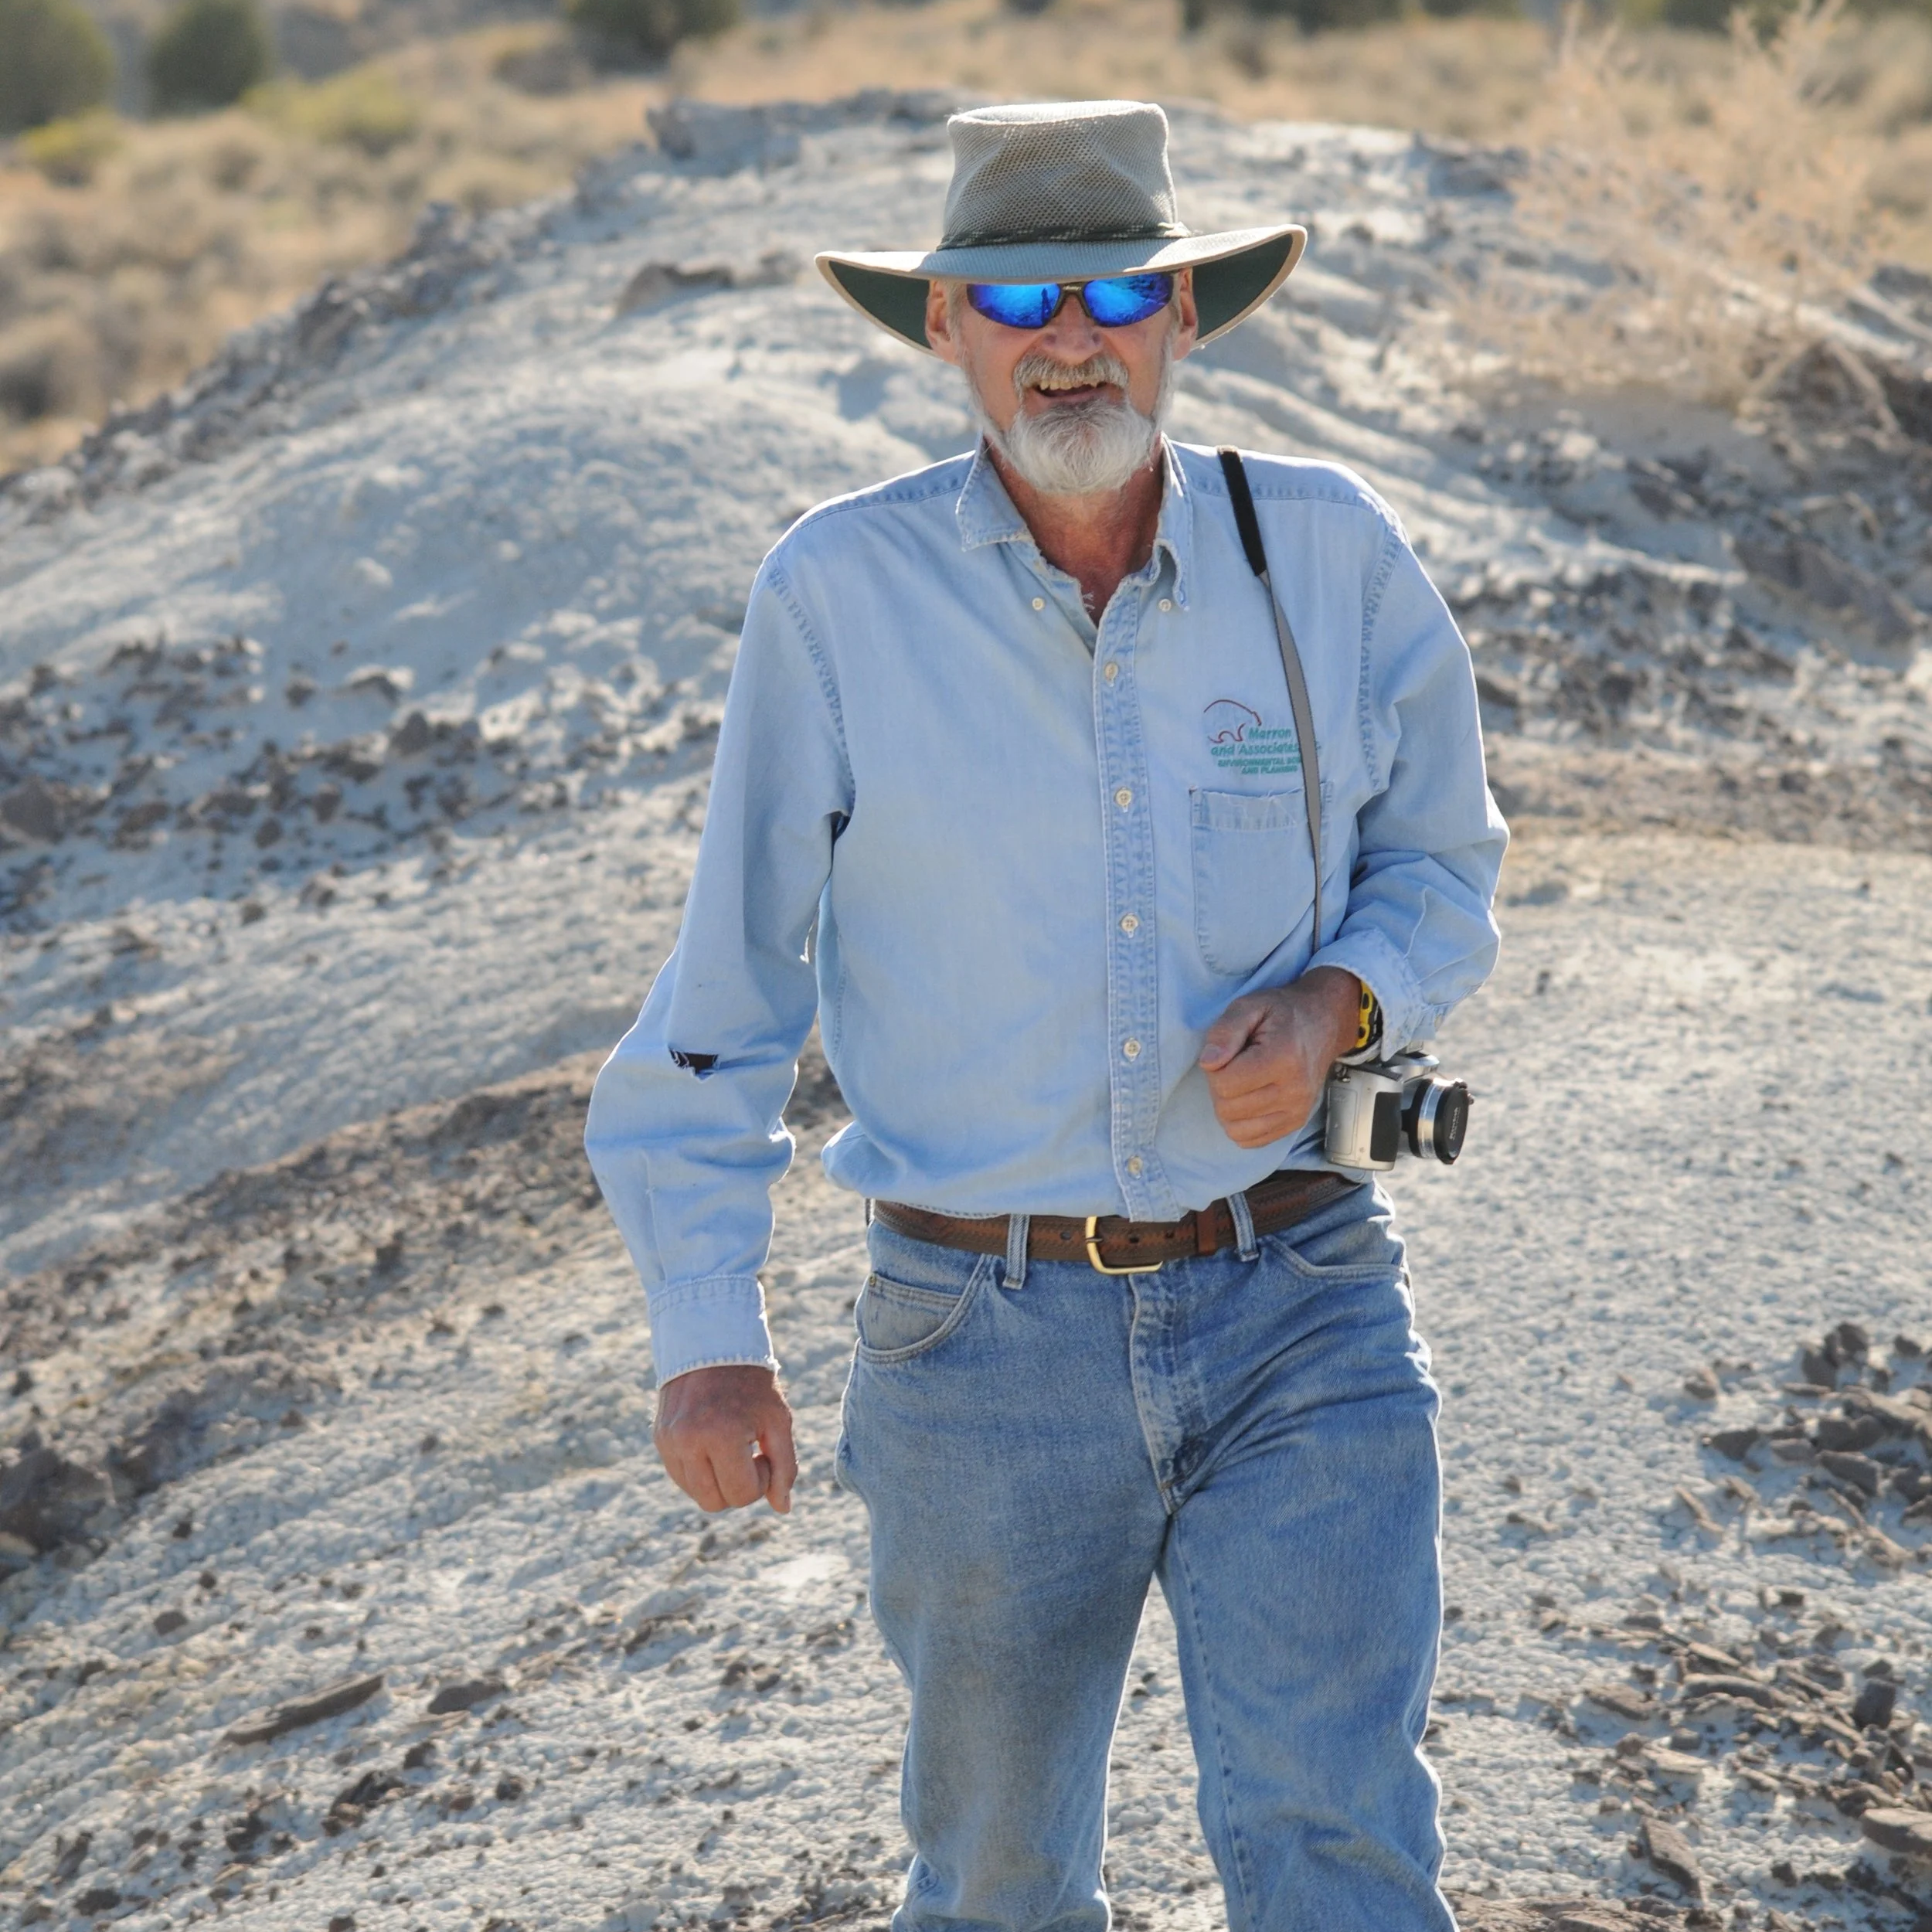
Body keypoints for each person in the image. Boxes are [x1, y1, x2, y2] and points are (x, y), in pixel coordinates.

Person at [587, 98, 1506, 1932]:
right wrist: (706, 1329)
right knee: (997, 1883)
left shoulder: (1327, 553)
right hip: (974, 1345)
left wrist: (1338, 999)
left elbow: (1448, 866)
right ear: (939, 327)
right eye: (1010, 296)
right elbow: (727, 993)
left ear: (1181, 313)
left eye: (1107, 285)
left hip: (1302, 1299)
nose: (1063, 333)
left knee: (1342, 1844)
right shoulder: (834, 594)